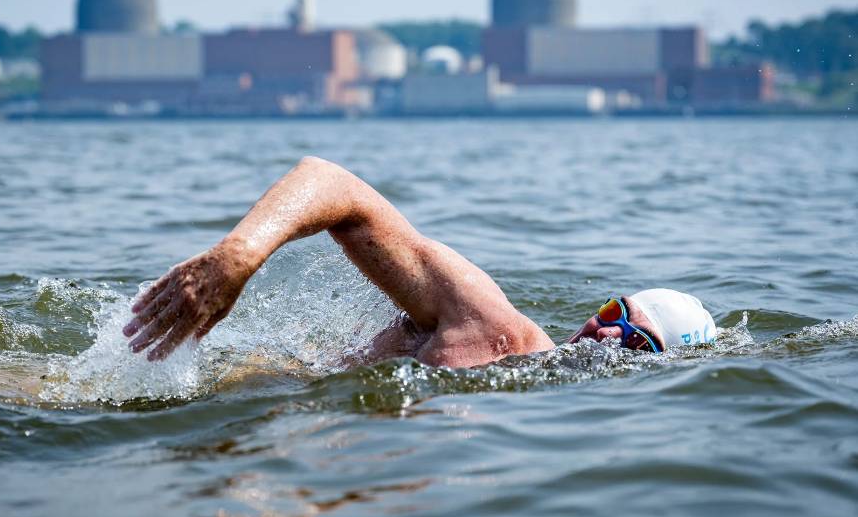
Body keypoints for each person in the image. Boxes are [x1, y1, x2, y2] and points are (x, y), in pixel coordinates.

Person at [124, 157, 717, 366]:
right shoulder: (497, 328)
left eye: (639, 342)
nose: (609, 332)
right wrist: (237, 258)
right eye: (614, 311)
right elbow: (330, 181)